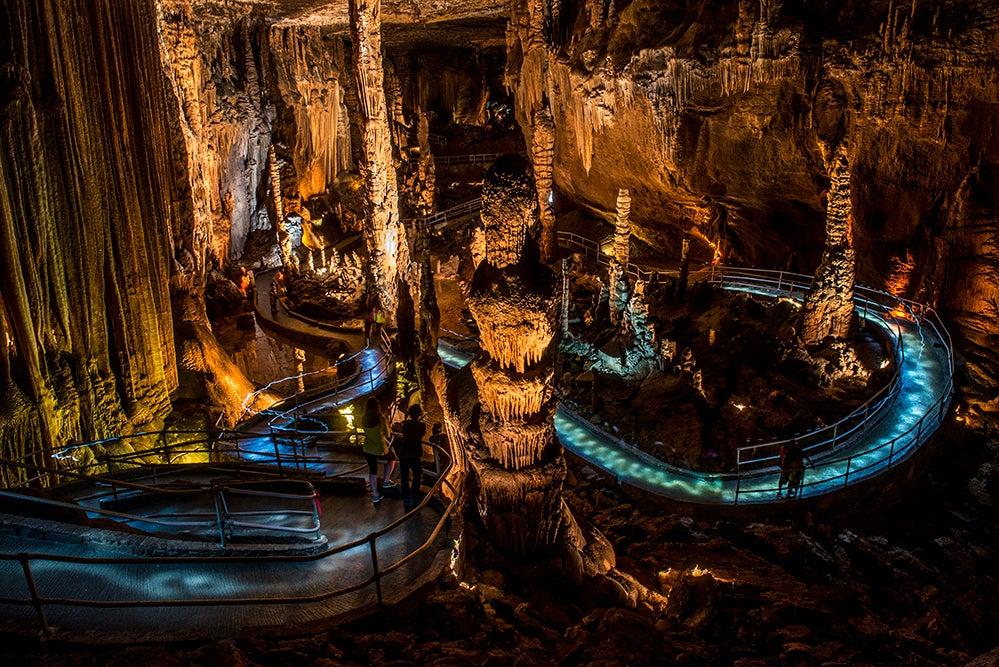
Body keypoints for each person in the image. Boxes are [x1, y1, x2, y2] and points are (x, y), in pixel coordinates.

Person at [361, 397, 397, 503]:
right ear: (378, 407)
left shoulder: (363, 418)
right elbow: (387, 434)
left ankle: (375, 495)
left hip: (367, 448)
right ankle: (386, 481)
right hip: (380, 448)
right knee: (392, 458)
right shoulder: (381, 419)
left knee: (373, 470)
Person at [398, 404, 427, 509]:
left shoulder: (405, 424)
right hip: (415, 453)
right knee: (417, 475)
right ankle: (414, 496)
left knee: (404, 476)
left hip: (404, 452)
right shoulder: (422, 425)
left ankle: (406, 498)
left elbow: (405, 433)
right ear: (419, 414)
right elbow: (421, 435)